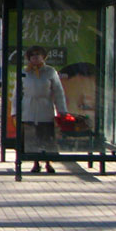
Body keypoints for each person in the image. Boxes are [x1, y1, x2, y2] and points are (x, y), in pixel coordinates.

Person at [19, 45, 67, 173]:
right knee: (32, 137)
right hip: (29, 108)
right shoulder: (24, 72)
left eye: (38, 55)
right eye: (32, 55)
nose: (35, 57)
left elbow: (58, 92)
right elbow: (16, 93)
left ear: (43, 57)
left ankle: (48, 162)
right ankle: (35, 163)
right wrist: (15, 111)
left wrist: (62, 110)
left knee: (46, 136)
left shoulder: (50, 71)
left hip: (45, 107)